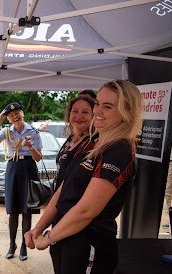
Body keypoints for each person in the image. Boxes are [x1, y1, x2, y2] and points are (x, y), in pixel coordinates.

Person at [25, 80, 143, 274]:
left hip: (89, 244)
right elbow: (64, 189)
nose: (98, 111)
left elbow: (87, 210)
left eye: (108, 106)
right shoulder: (91, 143)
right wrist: (40, 227)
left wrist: (49, 237)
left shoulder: (119, 150)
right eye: (97, 103)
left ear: (126, 112)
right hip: (65, 239)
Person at [0, 102, 42, 261]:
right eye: (11, 116)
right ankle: (12, 245)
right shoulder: (6, 131)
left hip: (29, 169)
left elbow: (38, 158)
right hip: (13, 168)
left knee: (27, 210)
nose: (15, 117)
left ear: (22, 113)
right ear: (8, 119)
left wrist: (31, 147)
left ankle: (24, 246)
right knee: (12, 210)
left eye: (17, 113)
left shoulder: (33, 132)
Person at [54, 93, 97, 191]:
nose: (79, 116)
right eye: (75, 111)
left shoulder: (93, 142)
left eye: (85, 112)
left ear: (93, 116)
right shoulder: (71, 138)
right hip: (59, 199)